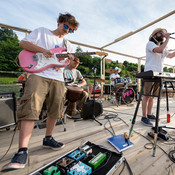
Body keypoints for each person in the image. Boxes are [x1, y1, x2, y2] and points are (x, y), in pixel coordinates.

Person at [2, 13, 79, 171]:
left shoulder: (68, 44)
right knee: (31, 108)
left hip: (58, 78)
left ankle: (48, 138)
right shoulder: (42, 32)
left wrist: (69, 60)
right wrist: (43, 50)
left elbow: (62, 64)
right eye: (66, 27)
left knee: (55, 109)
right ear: (59, 22)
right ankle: (22, 150)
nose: (67, 31)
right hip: (38, 75)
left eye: (70, 30)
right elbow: (23, 43)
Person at [141, 28, 175, 126]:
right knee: (146, 96)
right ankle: (144, 117)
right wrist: (167, 39)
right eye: (161, 33)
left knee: (153, 97)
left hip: (158, 74)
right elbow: (159, 50)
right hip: (149, 73)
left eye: (164, 33)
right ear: (154, 35)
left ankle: (149, 114)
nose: (163, 34)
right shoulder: (150, 44)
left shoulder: (162, 47)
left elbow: (171, 55)